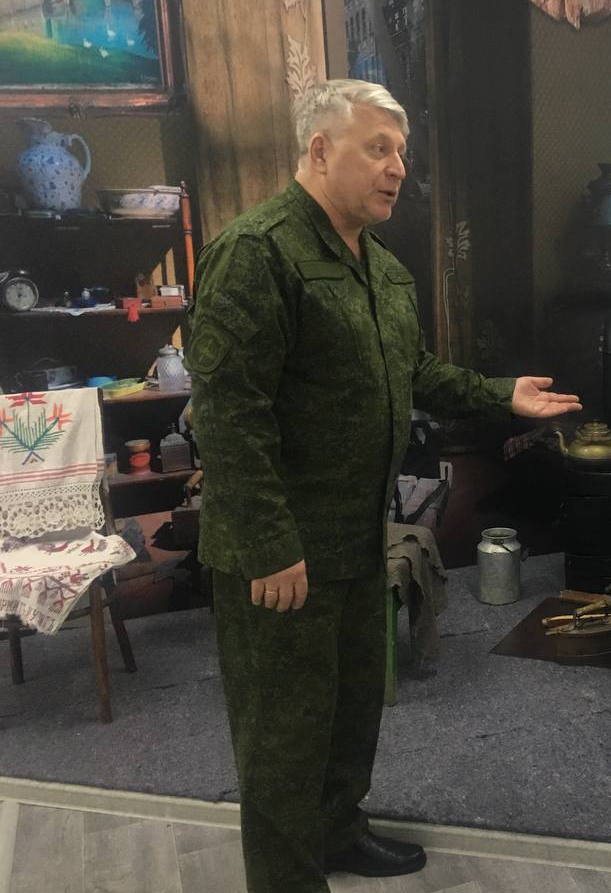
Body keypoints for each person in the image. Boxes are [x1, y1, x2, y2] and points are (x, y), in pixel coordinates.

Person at [187, 78, 581, 893]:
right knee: (283, 732)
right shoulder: (257, 253)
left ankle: (337, 831)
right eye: (378, 149)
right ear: (319, 149)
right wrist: (269, 545)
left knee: (350, 706)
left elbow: (415, 372)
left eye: (401, 152)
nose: (399, 167)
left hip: (358, 536)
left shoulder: (384, 270)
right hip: (283, 549)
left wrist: (500, 394)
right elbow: (228, 415)